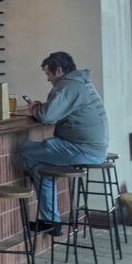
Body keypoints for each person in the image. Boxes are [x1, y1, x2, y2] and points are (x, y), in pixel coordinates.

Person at [19, 51, 109, 235]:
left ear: (59, 70)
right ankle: (50, 221)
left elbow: (47, 116)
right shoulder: (81, 83)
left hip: (82, 150)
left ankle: (50, 218)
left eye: (48, 74)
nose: (48, 79)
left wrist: (35, 108)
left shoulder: (67, 86)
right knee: (41, 170)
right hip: (96, 150)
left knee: (25, 149)